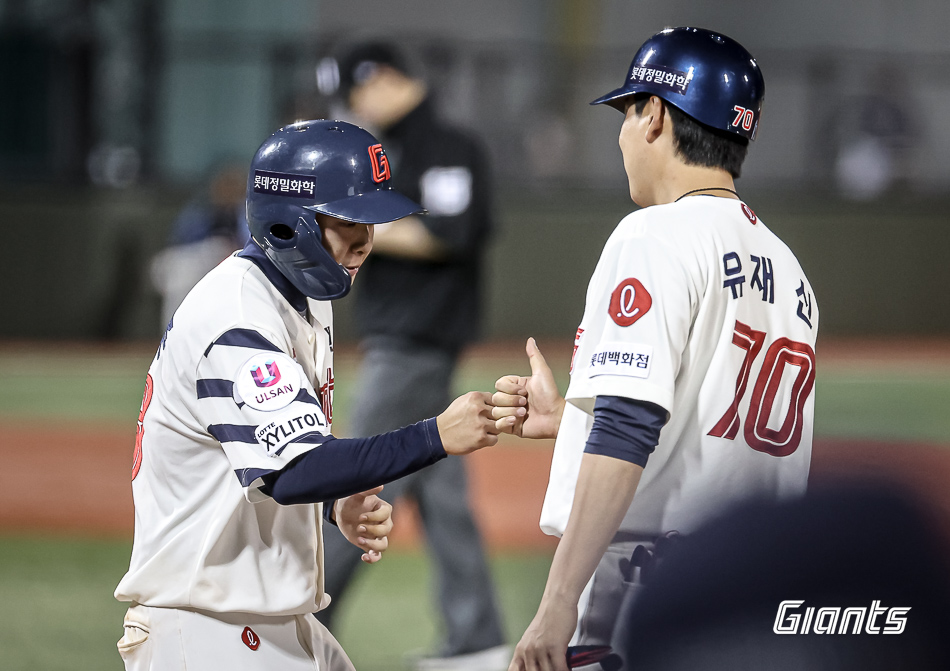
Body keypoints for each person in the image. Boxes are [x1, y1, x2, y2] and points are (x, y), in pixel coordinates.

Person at [114, 120, 512, 671]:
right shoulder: (237, 319)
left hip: (262, 622)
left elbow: (265, 461)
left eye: (371, 223)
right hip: (206, 632)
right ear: (289, 222)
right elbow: (294, 469)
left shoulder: (297, 296)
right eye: (349, 222)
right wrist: (434, 435)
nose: (366, 241)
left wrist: (331, 504)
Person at [491, 27, 820, 671]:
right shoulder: (789, 269)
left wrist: (557, 602)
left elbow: (628, 424)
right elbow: (711, 417)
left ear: (657, 116)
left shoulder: (655, 235)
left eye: (628, 111)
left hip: (648, 589)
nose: (621, 134)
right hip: (758, 588)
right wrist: (571, 421)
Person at [316, 42, 509, 670]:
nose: (354, 107)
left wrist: (354, 224)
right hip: (410, 342)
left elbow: (450, 235)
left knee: (357, 478)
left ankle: (300, 617)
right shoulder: (389, 150)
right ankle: (477, 636)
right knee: (440, 486)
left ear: (382, 78)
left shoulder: (447, 147)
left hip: (415, 345)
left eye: (354, 92)